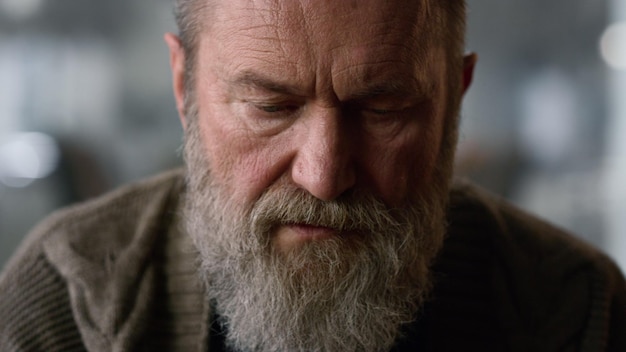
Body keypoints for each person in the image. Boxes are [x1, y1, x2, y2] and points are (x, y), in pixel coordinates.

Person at [1, 0, 624, 351]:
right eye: (271, 108)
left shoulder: (573, 310)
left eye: (383, 110)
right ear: (183, 87)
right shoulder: (71, 302)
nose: (324, 176)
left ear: (454, 99)